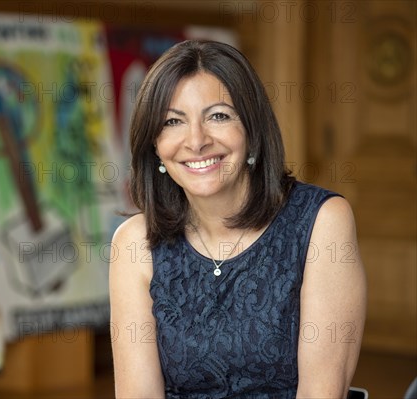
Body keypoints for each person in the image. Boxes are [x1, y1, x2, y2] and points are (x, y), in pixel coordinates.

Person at [109, 39, 367, 398]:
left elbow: (321, 392)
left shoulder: (322, 222)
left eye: (218, 116)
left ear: (252, 129)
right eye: (173, 121)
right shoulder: (135, 242)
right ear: (155, 145)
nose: (196, 141)